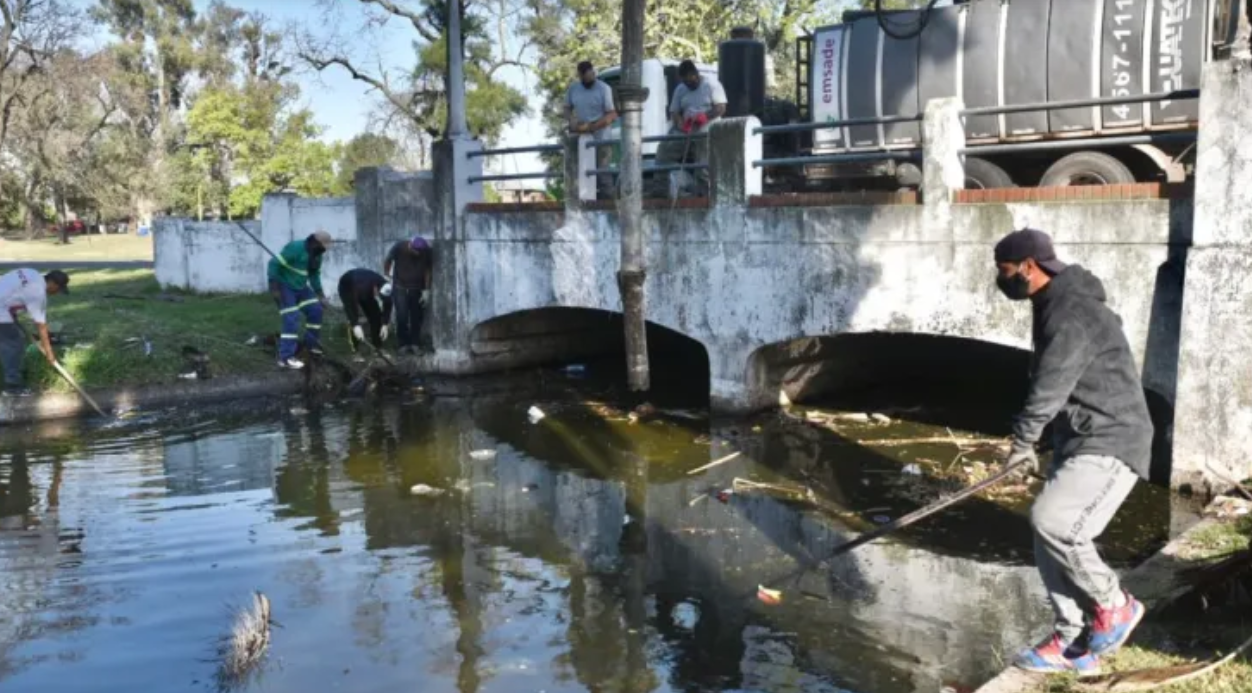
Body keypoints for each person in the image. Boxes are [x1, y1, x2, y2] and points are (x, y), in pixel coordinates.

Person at [993, 228, 1153, 676]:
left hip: (1113, 437)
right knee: (1044, 530)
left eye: (1004, 271)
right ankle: (1069, 638)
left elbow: (1050, 385)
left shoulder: (1071, 311)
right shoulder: (1051, 304)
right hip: (1078, 437)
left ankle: (1114, 605)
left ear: (1029, 266)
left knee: (1055, 523)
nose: (1000, 279)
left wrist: (1022, 443)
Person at [647, 60, 727, 198]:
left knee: (702, 164)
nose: (689, 84)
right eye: (686, 82)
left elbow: (721, 108)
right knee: (663, 151)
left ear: (696, 74)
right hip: (685, 132)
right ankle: (660, 188)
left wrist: (705, 116)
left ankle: (703, 193)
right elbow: (674, 112)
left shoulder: (712, 84)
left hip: (706, 132)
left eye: (691, 80)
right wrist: (680, 122)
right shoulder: (680, 89)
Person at [268, 231, 333, 370]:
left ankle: (311, 346)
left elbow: (314, 275)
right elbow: (273, 264)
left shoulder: (317, 256)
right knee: (292, 317)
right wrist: (274, 288)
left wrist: (320, 295)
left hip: (301, 287)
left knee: (316, 310)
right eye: (324, 246)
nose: (325, 250)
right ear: (316, 242)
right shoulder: (295, 248)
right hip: (283, 286)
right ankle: (285, 358)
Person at [0, 269, 69, 396]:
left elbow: (11, 289)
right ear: (52, 283)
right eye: (58, 289)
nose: (57, 292)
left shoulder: (33, 273)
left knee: (12, 337)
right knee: (14, 343)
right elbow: (41, 326)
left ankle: (15, 371)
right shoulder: (38, 294)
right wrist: (49, 353)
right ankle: (12, 387)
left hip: (3, 306)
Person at [565, 60, 618, 199]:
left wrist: (593, 126)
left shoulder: (604, 88)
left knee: (602, 171)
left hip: (601, 135)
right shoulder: (573, 89)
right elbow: (566, 107)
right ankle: (579, 201)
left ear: (594, 73)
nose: (589, 80)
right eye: (586, 78)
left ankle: (609, 203)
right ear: (580, 76)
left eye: (592, 76)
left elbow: (612, 114)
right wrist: (571, 119)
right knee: (579, 171)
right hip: (581, 136)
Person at [382, 235, 433, 355]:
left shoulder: (426, 252)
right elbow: (388, 260)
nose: (417, 254)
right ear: (410, 246)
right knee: (402, 316)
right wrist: (386, 275)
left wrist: (426, 290)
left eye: (419, 252)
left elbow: (427, 270)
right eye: (415, 251)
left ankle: (415, 344)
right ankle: (403, 344)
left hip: (417, 288)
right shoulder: (399, 247)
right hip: (400, 287)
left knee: (417, 316)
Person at [337, 268, 393, 357]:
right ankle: (355, 351)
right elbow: (350, 307)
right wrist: (355, 324)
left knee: (376, 316)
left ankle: (377, 347)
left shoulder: (385, 286)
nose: (378, 297)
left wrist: (385, 324)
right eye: (378, 295)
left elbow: (388, 304)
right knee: (353, 318)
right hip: (347, 287)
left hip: (367, 290)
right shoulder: (361, 286)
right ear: (375, 288)